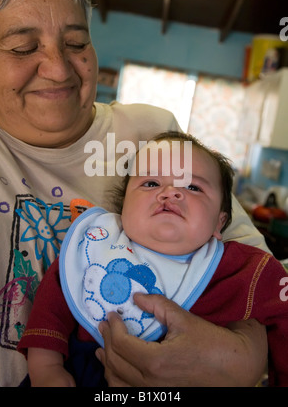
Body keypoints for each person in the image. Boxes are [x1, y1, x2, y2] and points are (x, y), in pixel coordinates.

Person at [0, 0, 270, 387]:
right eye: (23, 48)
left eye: (76, 42)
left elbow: (254, 280)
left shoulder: (154, 139)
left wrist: (243, 359)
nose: (59, 69)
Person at [17, 132, 288, 387]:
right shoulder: (98, 242)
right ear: (123, 208)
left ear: (219, 223)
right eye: (151, 183)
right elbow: (53, 301)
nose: (170, 192)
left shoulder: (237, 268)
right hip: (77, 370)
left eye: (193, 187)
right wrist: (46, 367)